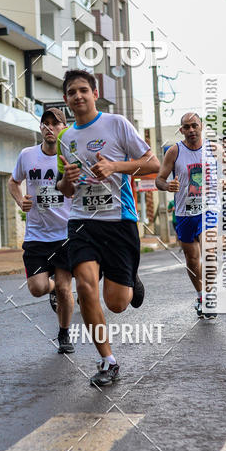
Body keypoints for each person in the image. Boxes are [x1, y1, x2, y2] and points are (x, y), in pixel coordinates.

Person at [56, 70, 160, 387]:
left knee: (116, 302)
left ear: (95, 93)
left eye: (83, 90)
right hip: (82, 222)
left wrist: (115, 166)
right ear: (65, 99)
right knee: (85, 287)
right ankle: (108, 360)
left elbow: (152, 164)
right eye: (72, 92)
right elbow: (65, 190)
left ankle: (131, 278)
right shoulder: (66, 138)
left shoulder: (116, 124)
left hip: (119, 220)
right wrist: (67, 181)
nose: (78, 96)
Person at [8, 107, 75, 354]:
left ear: (64, 129)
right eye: (45, 123)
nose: (49, 128)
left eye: (55, 124)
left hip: (65, 234)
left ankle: (64, 334)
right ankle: (53, 289)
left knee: (65, 288)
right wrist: (19, 201)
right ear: (40, 129)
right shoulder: (27, 155)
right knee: (37, 288)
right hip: (36, 234)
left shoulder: (71, 158)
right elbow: (13, 182)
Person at [155, 112, 218, 318]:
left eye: (194, 126)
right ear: (181, 130)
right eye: (187, 127)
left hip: (208, 210)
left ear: (201, 127)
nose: (191, 130)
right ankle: (200, 296)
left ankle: (209, 297)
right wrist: (167, 185)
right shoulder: (174, 151)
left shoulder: (213, 149)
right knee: (192, 259)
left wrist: (225, 182)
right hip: (184, 213)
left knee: (209, 252)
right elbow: (159, 179)